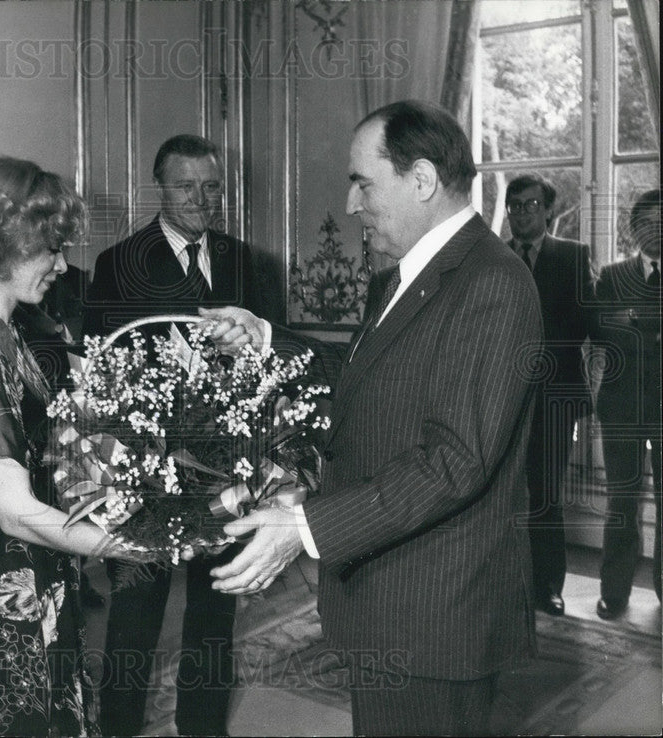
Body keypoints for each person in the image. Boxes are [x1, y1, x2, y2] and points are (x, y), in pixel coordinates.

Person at [204, 100, 541, 736]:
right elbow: (373, 378)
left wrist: (304, 528)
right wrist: (267, 338)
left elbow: (454, 461)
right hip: (395, 601)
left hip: (436, 614)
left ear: (420, 181)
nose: (353, 204)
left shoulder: (492, 282)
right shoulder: (402, 278)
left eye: (363, 181)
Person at [0, 156, 152, 737]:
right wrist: (133, 547)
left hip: (15, 574)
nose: (62, 264)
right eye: (50, 249)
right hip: (4, 586)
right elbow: (17, 514)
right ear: (2, 247)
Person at [84, 133, 262, 737]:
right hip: (148, 476)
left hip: (228, 474)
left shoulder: (247, 262)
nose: (201, 198)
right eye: (186, 186)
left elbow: (270, 360)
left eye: (211, 186)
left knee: (216, 613)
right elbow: (100, 373)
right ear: (159, 186)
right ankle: (118, 730)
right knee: (135, 615)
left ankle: (204, 729)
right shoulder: (119, 264)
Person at [505, 174, 596, 616]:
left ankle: (547, 587)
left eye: (531, 205)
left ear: (547, 210)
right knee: (502, 494)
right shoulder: (492, 258)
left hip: (557, 398)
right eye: (515, 206)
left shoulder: (573, 256)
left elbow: (584, 323)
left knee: (544, 496)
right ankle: (507, 585)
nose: (522, 213)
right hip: (502, 401)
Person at [14, 263, 108, 609]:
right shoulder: (16, 287)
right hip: (38, 390)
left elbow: (90, 325)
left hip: (71, 386)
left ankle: (77, 579)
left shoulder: (78, 278)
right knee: (44, 492)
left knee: (76, 486)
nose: (59, 260)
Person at [592, 188, 662, 619]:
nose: (657, 231)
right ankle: (614, 592)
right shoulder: (613, 277)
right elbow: (603, 330)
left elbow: (625, 325)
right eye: (648, 223)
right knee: (622, 504)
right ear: (635, 230)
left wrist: (634, 319)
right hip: (621, 407)